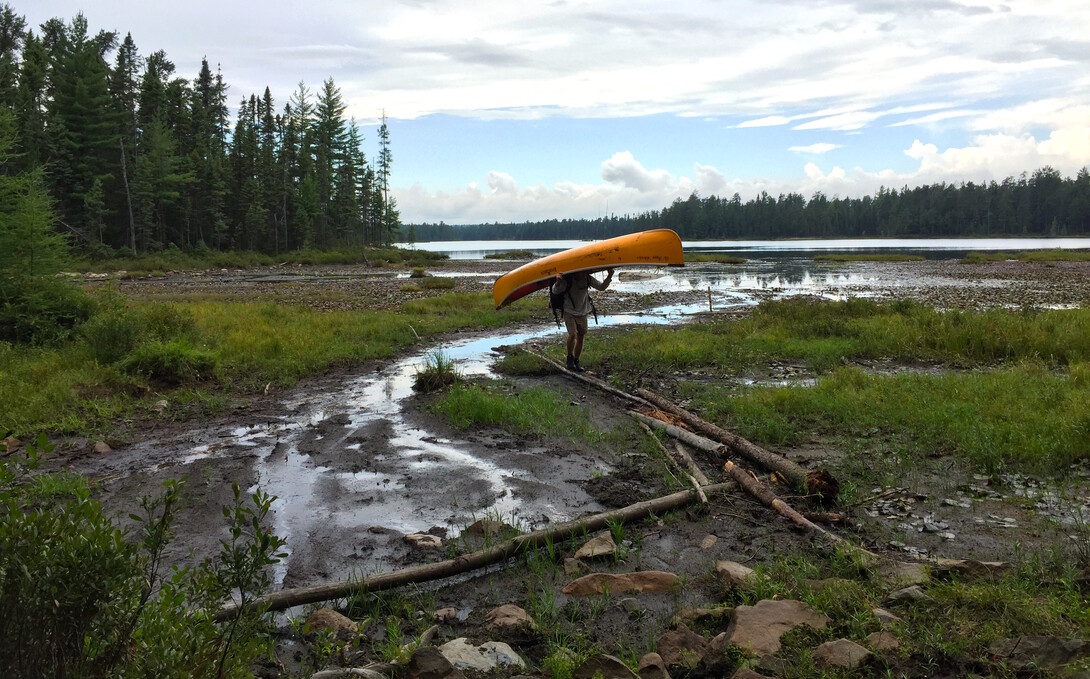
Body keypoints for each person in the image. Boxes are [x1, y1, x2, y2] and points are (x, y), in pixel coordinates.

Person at [551, 268, 614, 372]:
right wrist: (558, 281)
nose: (584, 273)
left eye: (585, 271)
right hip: (569, 311)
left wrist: (610, 275)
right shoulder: (568, 280)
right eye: (582, 271)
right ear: (576, 271)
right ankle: (570, 358)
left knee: (581, 336)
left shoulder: (588, 279)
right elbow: (555, 291)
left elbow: (601, 287)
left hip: (583, 312)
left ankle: (576, 361)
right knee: (573, 334)